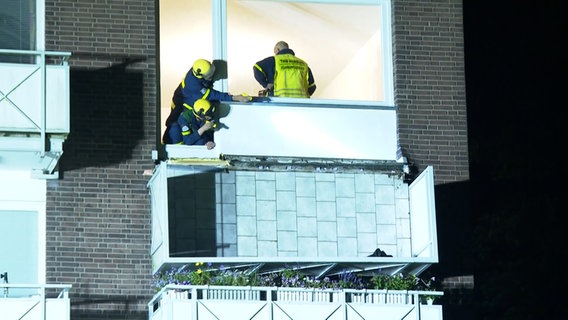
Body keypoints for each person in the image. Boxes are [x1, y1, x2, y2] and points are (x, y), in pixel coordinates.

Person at [162, 59, 250, 144]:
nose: (212, 77)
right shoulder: (194, 87)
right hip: (181, 103)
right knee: (174, 126)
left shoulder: (197, 69)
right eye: (210, 75)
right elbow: (214, 95)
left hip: (186, 99)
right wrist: (235, 97)